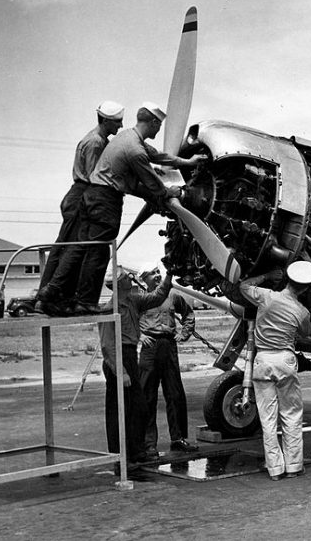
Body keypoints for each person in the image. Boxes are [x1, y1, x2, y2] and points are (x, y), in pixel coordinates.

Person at [62, 102, 204, 315]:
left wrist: (188, 162)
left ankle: (66, 296)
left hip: (94, 197)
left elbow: (159, 156)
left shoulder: (128, 136)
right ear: (154, 122)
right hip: (105, 200)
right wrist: (170, 193)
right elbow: (152, 183)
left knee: (87, 249)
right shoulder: (135, 150)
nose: (159, 130)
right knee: (98, 252)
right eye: (159, 126)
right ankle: (85, 301)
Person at [226, 261, 311, 481]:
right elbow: (307, 332)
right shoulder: (301, 311)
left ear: (287, 280)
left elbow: (243, 286)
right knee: (291, 415)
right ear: (304, 288)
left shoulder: (266, 296)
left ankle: (275, 469)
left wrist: (267, 273)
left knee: (268, 419)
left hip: (263, 360)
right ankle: (294, 466)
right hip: (285, 361)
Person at [36, 101, 124, 316]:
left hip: (79, 194)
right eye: (116, 122)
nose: (120, 126)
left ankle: (50, 297)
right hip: (84, 194)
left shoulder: (96, 139)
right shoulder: (96, 143)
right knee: (73, 249)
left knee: (68, 248)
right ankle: (50, 296)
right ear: (105, 121)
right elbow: (98, 176)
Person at [98, 265, 173, 471]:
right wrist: (120, 371)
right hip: (118, 359)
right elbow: (107, 346)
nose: (130, 278)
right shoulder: (109, 309)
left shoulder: (133, 300)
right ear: (118, 284)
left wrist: (170, 274)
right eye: (125, 277)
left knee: (138, 408)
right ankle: (120, 458)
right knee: (118, 411)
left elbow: (157, 297)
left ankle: (137, 451)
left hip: (130, 355)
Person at [138, 263, 197, 459]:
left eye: (157, 272)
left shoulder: (172, 295)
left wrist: (185, 333)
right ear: (142, 279)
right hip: (149, 348)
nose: (156, 276)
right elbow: (126, 321)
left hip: (169, 345)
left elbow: (188, 313)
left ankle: (178, 439)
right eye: (151, 273)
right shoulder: (139, 299)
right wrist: (139, 336)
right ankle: (148, 445)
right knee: (147, 396)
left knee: (175, 393)